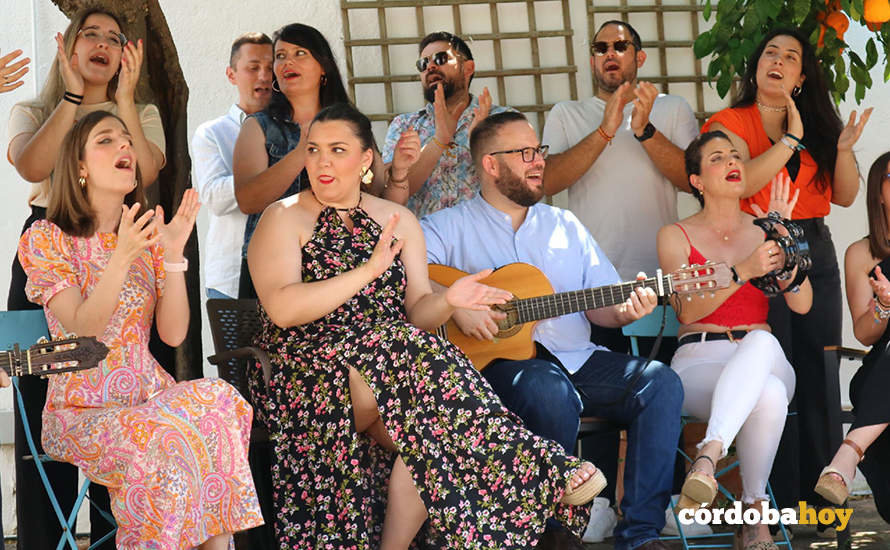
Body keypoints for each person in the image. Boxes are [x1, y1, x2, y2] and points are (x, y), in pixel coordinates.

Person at [247, 102, 604, 549]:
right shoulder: (282, 217)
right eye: (314, 150)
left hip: (388, 371)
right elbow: (282, 309)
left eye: (337, 150)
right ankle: (539, 466)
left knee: (430, 435)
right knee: (402, 344)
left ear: (365, 161)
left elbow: (418, 309)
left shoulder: (396, 221)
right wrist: (367, 272)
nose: (321, 161)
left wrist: (449, 301)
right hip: (302, 374)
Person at [421, 110, 684, 550]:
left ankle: (639, 534)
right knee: (548, 392)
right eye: (525, 153)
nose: (538, 160)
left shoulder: (565, 226)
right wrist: (457, 305)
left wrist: (627, 310)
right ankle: (549, 533)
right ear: (490, 164)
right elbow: (406, 277)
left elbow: (603, 307)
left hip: (575, 359)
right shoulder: (447, 227)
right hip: (494, 369)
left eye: (538, 150)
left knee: (660, 384)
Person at [18, 110, 263, 549]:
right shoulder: (46, 238)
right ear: (78, 166)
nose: (125, 147)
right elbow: (82, 329)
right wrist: (122, 256)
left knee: (222, 401)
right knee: (164, 440)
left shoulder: (145, 237)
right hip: (82, 412)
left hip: (150, 398)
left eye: (127, 139)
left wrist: (171, 256)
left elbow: (172, 334)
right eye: (106, 140)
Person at [6, 9, 165, 549]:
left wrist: (122, 103)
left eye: (113, 38)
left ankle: (115, 535)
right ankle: (41, 539)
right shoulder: (35, 107)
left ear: (127, 53)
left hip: (120, 245)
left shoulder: (139, 112)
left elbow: (148, 170)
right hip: (50, 245)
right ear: (67, 47)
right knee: (33, 381)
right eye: (88, 35)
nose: (101, 44)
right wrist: (72, 99)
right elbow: (30, 166)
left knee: (121, 384)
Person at [700, 27, 871, 511]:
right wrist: (790, 140)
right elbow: (743, 179)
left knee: (819, 367)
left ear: (800, 76)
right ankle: (771, 498)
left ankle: (819, 501)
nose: (778, 60)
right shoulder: (730, 119)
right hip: (760, 242)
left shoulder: (817, 119)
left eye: (790, 56)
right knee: (776, 368)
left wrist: (838, 148)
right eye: (769, 52)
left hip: (814, 244)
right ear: (756, 67)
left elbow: (844, 196)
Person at [657, 131, 812, 550]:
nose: (733, 162)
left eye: (737, 156)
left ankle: (708, 454)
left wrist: (785, 242)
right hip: (699, 360)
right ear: (697, 181)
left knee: (760, 345)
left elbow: (802, 304)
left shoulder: (765, 229)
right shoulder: (675, 235)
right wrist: (743, 269)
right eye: (718, 157)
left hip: (762, 352)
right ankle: (754, 517)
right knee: (770, 393)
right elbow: (688, 311)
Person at [233, 23, 395, 299]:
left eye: (300, 53)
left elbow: (375, 190)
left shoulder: (351, 123)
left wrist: (399, 171)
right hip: (275, 268)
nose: (287, 62)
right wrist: (301, 153)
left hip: (349, 263)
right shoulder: (258, 126)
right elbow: (248, 200)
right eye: (281, 56)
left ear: (324, 67)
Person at [542, 20, 698, 281]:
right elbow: (546, 182)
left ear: (640, 57)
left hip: (658, 270)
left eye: (620, 46)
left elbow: (694, 182)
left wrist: (645, 131)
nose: (610, 53)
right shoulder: (566, 113)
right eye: (601, 48)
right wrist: (604, 130)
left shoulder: (673, 107)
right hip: (590, 273)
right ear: (592, 62)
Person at [814, 152, 890, 523]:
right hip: (882, 372)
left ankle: (846, 457)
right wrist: (885, 305)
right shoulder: (862, 253)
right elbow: (863, 332)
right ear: (878, 190)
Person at [382, 31, 512, 218]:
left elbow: (518, 188)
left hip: (486, 241)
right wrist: (439, 142)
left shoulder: (503, 120)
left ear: (468, 68)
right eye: (423, 63)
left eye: (441, 58)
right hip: (424, 243)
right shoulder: (404, 126)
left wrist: (481, 145)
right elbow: (389, 199)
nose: (431, 67)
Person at [192, 32, 273, 300]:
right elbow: (214, 198)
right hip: (231, 278)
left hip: (288, 276)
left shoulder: (295, 131)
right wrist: (273, 172)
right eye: (253, 68)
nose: (264, 76)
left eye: (271, 68)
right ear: (231, 75)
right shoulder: (211, 133)